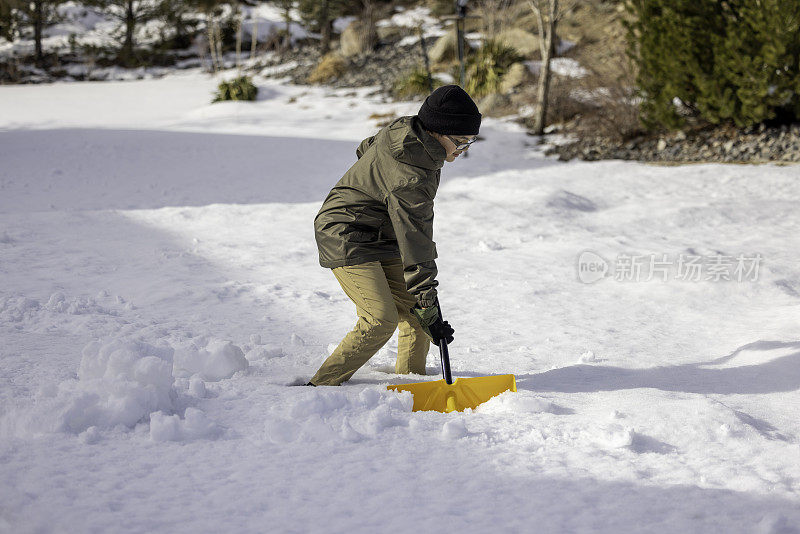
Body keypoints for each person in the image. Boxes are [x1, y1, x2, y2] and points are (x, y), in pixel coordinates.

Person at [307, 85, 481, 386]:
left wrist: (424, 307)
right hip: (345, 231)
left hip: (381, 230)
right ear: (438, 131)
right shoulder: (411, 175)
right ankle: (319, 388)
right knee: (380, 318)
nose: (460, 151)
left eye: (469, 142)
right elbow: (416, 240)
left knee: (414, 314)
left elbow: (366, 146)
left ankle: (411, 385)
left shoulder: (405, 129)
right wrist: (429, 300)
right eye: (460, 142)